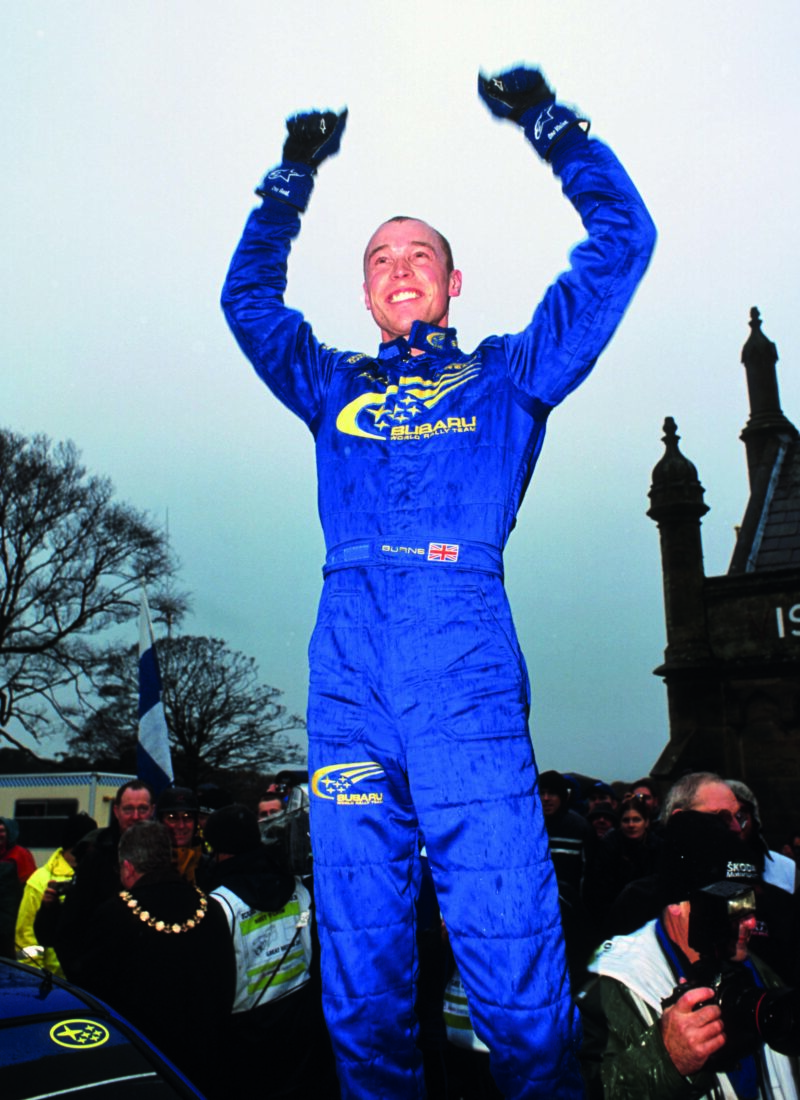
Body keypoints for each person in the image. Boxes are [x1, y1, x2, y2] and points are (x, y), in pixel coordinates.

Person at [221, 63, 655, 1099]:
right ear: (365, 289)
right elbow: (245, 301)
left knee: (513, 969)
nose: (398, 266)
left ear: (452, 282)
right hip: (347, 674)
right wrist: (289, 179)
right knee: (360, 969)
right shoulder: (330, 383)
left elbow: (619, 247)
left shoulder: (508, 373)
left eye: (420, 253)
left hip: (459, 663)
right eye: (379, 257)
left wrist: (553, 129)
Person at [577, 812, 799, 1099]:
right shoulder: (612, 987)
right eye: (732, 905)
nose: (751, 922)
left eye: (751, 902)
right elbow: (577, 1089)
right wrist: (666, 1060)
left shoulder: (756, 969)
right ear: (676, 905)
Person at [68, 821, 235, 1096]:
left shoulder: (114, 915)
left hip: (141, 1064)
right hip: (205, 1063)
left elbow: (95, 992)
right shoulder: (210, 908)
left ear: (129, 867)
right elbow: (226, 984)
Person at [204, 804, 338, 1099]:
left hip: (247, 1037)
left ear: (217, 847)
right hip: (300, 1020)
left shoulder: (219, 904)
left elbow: (216, 987)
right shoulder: (297, 886)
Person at [15, 810, 97, 975]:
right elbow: (26, 937)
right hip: (53, 984)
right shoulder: (39, 881)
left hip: (90, 981)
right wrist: (35, 978)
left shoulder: (97, 875)